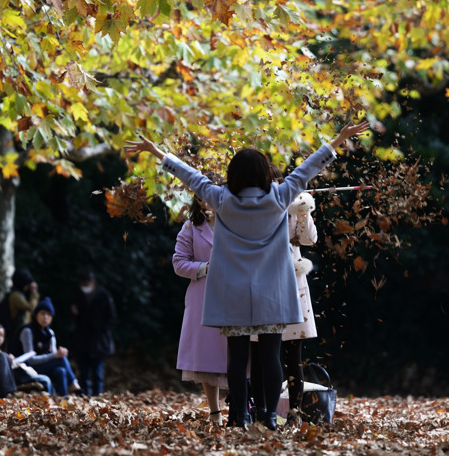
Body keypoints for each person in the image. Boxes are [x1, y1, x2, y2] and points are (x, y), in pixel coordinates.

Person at [125, 120, 368, 430]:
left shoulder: (222, 200)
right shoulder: (280, 196)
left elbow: (192, 177)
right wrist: (338, 139)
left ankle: (240, 416)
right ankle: (269, 417)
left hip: (233, 294)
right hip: (273, 293)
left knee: (237, 359)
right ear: (265, 173)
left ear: (234, 175)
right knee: (271, 357)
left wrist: (158, 152)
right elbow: (307, 170)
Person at [172, 195, 228, 426]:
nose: (207, 201)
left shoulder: (235, 221)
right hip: (203, 296)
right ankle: (215, 412)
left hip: (235, 295)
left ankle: (241, 406)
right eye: (202, 197)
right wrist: (206, 267)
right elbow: (179, 263)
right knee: (208, 354)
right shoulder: (191, 227)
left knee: (236, 353)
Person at [282, 189, 319, 424]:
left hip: (292, 286)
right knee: (262, 354)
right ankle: (262, 411)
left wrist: (303, 210)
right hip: (263, 284)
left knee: (293, 355)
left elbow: (309, 239)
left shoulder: (293, 208)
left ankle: (294, 413)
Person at [18, 297, 86, 397]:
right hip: (27, 368)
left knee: (61, 371)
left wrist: (59, 353)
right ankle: (73, 385)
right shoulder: (28, 331)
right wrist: (55, 355)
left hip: (44, 366)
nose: (45, 317)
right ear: (36, 314)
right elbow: (30, 360)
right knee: (60, 360)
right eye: (42, 313)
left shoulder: (50, 333)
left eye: (49, 315)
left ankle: (63, 400)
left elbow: (53, 355)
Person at [69, 269, 116, 396]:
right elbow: (73, 317)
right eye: (83, 284)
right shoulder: (78, 294)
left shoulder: (103, 295)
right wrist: (74, 313)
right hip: (82, 338)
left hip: (98, 340)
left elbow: (111, 317)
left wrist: (100, 328)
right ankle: (85, 397)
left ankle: (97, 398)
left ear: (93, 282)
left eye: (87, 283)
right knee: (83, 373)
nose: (85, 286)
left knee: (97, 373)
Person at [0, 322, 53, 394]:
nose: (0, 338)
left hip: (17, 375)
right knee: (45, 380)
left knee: (46, 379)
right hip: (13, 377)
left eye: (2, 336)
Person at [0, 269, 39, 348]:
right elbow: (31, 308)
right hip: (13, 334)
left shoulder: (18, 294)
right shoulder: (15, 295)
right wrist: (34, 292)